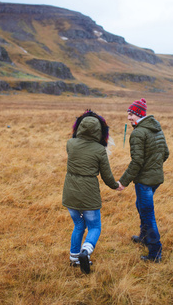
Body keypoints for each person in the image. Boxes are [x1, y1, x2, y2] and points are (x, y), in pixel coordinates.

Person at [62, 110, 121, 274]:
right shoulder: (100, 150)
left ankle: (74, 258)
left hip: (70, 192)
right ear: (99, 131)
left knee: (78, 225)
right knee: (95, 226)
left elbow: (76, 142)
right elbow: (107, 176)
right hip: (89, 193)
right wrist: (116, 186)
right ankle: (85, 252)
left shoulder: (70, 144)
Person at [118, 98, 169, 263]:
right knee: (141, 206)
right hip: (156, 178)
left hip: (145, 181)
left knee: (147, 213)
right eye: (128, 114)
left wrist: (123, 181)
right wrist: (154, 167)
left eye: (131, 114)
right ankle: (143, 237)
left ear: (139, 115)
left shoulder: (138, 133)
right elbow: (165, 153)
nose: (128, 118)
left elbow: (137, 162)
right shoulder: (157, 128)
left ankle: (155, 253)